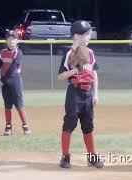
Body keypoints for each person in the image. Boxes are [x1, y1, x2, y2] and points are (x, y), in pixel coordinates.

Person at [57, 20, 103, 169]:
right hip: (74, 92)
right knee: (69, 124)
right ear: (77, 36)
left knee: (88, 126)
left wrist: (95, 94)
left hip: (88, 93)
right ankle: (65, 156)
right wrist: (75, 69)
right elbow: (61, 76)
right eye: (87, 34)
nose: (90, 36)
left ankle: (92, 156)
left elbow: (94, 73)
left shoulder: (90, 53)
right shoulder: (69, 53)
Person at [0, 32, 31, 136]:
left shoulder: (18, 53)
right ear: (6, 42)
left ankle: (25, 125)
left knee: (19, 104)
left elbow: (13, 67)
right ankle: (8, 127)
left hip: (15, 80)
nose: (11, 42)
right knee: (7, 105)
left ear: (17, 41)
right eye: (9, 40)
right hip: (4, 81)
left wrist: (2, 80)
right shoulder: (3, 52)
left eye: (13, 40)